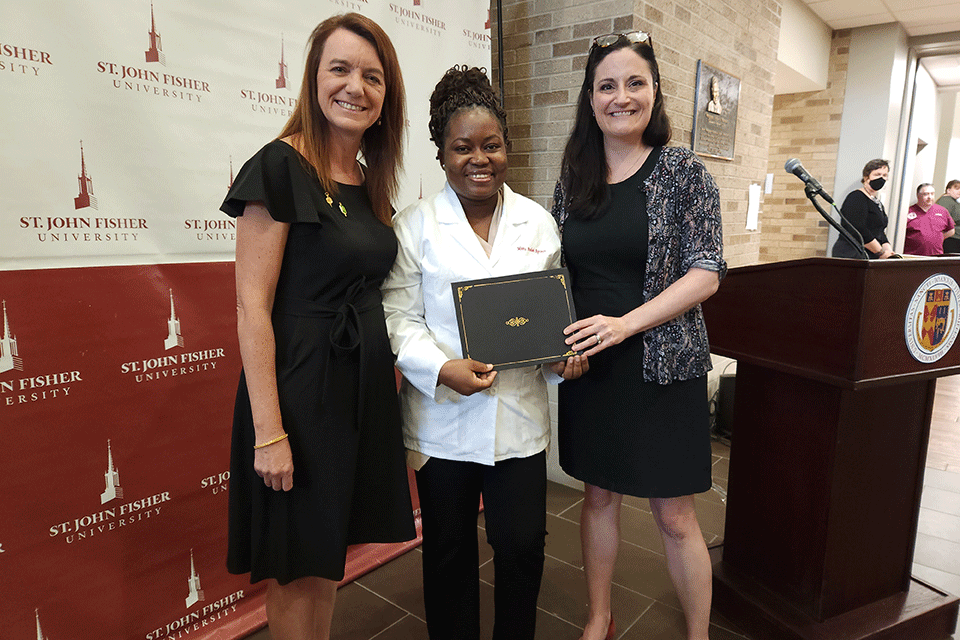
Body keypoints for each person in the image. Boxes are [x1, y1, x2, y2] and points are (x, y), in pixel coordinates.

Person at [220, 14, 414, 640]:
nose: (356, 86)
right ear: (313, 78)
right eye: (341, 69)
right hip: (298, 394)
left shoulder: (368, 180)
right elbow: (253, 308)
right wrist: (269, 431)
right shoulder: (279, 167)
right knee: (294, 564)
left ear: (386, 98)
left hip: (357, 395)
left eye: (372, 76)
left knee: (327, 558)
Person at [381, 66, 587, 640]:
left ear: (508, 148)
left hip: (519, 420)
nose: (480, 158)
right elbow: (398, 316)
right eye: (462, 147)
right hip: (443, 421)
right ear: (442, 154)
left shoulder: (538, 224)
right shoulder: (414, 227)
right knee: (447, 552)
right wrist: (439, 367)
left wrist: (559, 357)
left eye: (491, 145)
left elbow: (551, 317)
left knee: (522, 548)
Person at [552, 31, 725, 640]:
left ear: (655, 92)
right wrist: (554, 344)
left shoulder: (685, 172)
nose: (621, 97)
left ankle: (698, 633)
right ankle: (599, 617)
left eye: (635, 83)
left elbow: (707, 272)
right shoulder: (572, 177)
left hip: (662, 368)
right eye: (607, 85)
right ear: (590, 98)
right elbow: (557, 272)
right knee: (597, 498)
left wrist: (627, 323)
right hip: (592, 367)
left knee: (676, 517)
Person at [832, 159, 895, 259]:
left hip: (870, 254)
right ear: (866, 177)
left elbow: (879, 230)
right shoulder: (856, 197)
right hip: (853, 253)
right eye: (877, 174)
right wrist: (881, 252)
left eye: (884, 175)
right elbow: (857, 229)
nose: (881, 178)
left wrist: (888, 249)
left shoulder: (876, 202)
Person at [903, 183, 955, 256]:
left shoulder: (942, 211)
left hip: (936, 256)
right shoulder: (908, 212)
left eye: (932, 194)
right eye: (926, 194)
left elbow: (951, 230)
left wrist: (937, 237)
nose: (930, 197)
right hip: (913, 256)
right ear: (918, 195)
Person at [937, 180, 960, 254]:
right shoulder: (946, 201)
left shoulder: (951, 201)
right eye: (956, 189)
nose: (959, 191)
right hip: (952, 239)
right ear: (948, 190)